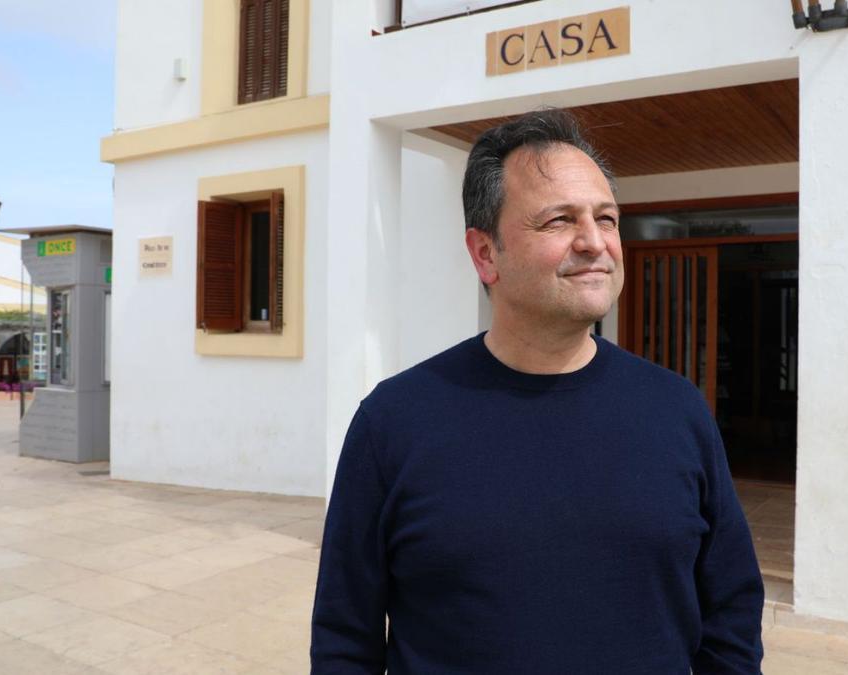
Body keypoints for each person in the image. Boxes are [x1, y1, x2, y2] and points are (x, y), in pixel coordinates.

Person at [311, 109, 765, 674]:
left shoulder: (676, 410)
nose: (595, 242)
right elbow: (344, 638)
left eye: (607, 218)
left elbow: (732, 611)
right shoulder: (394, 422)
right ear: (485, 254)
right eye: (558, 221)